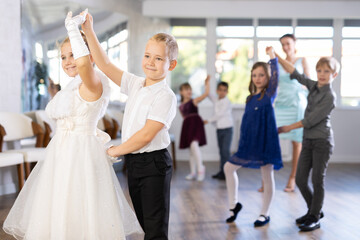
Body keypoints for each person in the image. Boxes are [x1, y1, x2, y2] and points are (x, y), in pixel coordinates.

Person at [3, 10, 143, 240]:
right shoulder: (74, 85)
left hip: (82, 152)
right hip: (61, 151)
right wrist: (54, 94)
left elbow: (85, 67)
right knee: (60, 204)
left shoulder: (94, 80)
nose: (68, 62)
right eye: (63, 57)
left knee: (81, 203)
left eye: (73, 55)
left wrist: (73, 30)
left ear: (88, 55)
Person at [82, 12, 178, 240]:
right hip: (134, 161)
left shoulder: (165, 96)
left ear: (171, 64)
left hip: (154, 163)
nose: (150, 63)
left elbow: (146, 135)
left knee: (155, 227)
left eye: (158, 59)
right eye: (147, 56)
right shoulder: (135, 83)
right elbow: (104, 64)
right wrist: (88, 31)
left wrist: (114, 150)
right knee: (145, 221)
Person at [277, 55, 340, 232]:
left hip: (322, 142)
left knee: (317, 179)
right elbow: (295, 73)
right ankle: (315, 211)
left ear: (333, 75)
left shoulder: (330, 97)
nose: (322, 74)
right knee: (301, 179)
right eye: (319, 70)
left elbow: (310, 120)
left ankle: (314, 216)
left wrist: (287, 127)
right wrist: (278, 57)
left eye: (326, 71)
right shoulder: (313, 86)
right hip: (308, 140)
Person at [224, 47, 282, 227]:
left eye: (261, 75)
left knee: (267, 175)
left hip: (265, 142)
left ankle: (265, 213)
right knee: (228, 167)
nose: (257, 78)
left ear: (268, 77)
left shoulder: (269, 96)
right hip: (248, 143)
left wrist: (272, 56)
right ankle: (234, 205)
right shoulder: (249, 99)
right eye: (254, 75)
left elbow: (276, 76)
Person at [271, 33, 310, 193]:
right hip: (281, 104)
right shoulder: (277, 63)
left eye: (288, 43)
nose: (286, 47)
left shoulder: (302, 61)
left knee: (296, 142)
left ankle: (293, 178)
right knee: (272, 140)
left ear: (294, 43)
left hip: (297, 104)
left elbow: (307, 81)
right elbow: (273, 82)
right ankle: (267, 179)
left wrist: (303, 89)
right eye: (283, 44)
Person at [179, 75, 210, 181]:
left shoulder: (194, 101)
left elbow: (206, 94)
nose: (189, 91)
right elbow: (185, 117)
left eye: (190, 89)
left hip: (196, 125)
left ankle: (201, 168)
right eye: (186, 89)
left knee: (194, 145)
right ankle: (193, 172)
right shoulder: (180, 106)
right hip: (188, 127)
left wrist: (207, 83)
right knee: (191, 150)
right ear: (181, 92)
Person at [204, 81, 233, 180]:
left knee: (225, 152)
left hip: (227, 129)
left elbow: (220, 114)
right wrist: (207, 83)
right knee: (221, 151)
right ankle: (222, 172)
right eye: (220, 90)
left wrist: (208, 120)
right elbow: (208, 94)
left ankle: (228, 173)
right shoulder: (216, 100)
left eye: (224, 90)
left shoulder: (226, 102)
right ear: (217, 90)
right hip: (219, 129)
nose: (222, 92)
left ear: (227, 92)